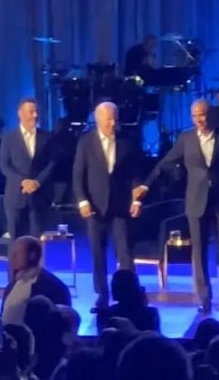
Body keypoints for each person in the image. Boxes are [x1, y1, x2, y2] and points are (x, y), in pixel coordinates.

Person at [133, 100, 219, 314]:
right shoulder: (186, 139)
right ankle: (205, 300)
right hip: (196, 202)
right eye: (195, 116)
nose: (199, 120)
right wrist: (146, 184)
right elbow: (165, 162)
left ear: (210, 115)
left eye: (202, 115)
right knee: (199, 253)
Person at [72, 102, 143, 310]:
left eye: (115, 118)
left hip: (121, 206)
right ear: (98, 120)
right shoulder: (86, 142)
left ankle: (129, 295)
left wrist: (137, 199)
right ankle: (102, 295)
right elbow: (78, 174)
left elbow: (135, 173)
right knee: (98, 253)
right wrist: (82, 201)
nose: (113, 123)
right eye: (109, 119)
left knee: (125, 252)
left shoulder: (126, 142)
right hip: (95, 206)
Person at [0, 98, 55, 240]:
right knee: (16, 244)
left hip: (38, 197)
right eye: (31, 112)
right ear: (20, 114)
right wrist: (23, 181)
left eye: (36, 112)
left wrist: (37, 182)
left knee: (36, 244)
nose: (35, 115)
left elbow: (51, 163)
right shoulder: (9, 138)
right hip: (16, 198)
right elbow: (4, 165)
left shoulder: (46, 137)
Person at [1, 236, 71, 325]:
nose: (13, 257)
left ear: (32, 255)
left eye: (17, 253)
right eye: (13, 253)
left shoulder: (53, 287)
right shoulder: (12, 285)